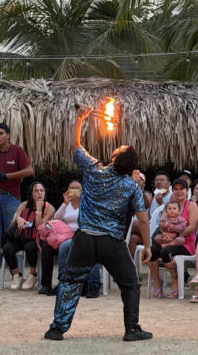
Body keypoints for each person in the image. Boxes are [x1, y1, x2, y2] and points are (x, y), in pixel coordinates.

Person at [45, 105, 151, 342]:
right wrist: (148, 246)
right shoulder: (132, 186)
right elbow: (143, 218)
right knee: (130, 284)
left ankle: (57, 329)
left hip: (84, 239)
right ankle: (132, 329)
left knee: (70, 282)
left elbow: (74, 146)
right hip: (111, 243)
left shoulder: (93, 170)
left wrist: (79, 118)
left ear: (113, 159)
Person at [0, 122, 33, 282]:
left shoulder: (17, 151)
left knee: (12, 234)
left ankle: (15, 272)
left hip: (11, 196)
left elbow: (30, 170)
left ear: (8, 135)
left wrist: (7, 176)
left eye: (0, 133)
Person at [147, 177, 198, 299]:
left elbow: (192, 227)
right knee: (151, 251)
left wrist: (175, 237)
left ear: (187, 190)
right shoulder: (170, 205)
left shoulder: (191, 205)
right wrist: (165, 235)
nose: (178, 191)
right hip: (167, 239)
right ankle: (157, 282)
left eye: (181, 189)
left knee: (166, 252)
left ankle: (176, 282)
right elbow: (162, 223)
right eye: (175, 189)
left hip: (185, 242)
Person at [0, 181, 55, 290]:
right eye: (36, 191)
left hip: (37, 238)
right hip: (22, 236)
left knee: (29, 247)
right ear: (31, 194)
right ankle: (17, 275)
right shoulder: (24, 205)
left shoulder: (50, 208)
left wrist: (38, 211)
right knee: (7, 248)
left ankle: (33, 274)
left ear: (45, 193)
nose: (39, 193)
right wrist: (18, 218)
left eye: (41, 190)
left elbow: (40, 227)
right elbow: (12, 224)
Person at [38, 181, 82, 296]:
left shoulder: (86, 205)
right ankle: (46, 285)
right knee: (47, 247)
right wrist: (65, 203)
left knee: (66, 247)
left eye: (77, 188)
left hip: (79, 236)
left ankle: (65, 282)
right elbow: (55, 219)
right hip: (63, 236)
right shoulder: (66, 206)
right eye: (72, 188)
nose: (75, 190)